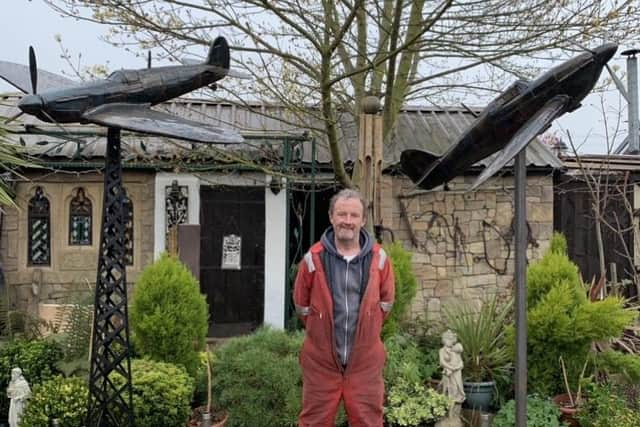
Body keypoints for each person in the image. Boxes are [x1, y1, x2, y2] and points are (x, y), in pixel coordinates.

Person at [294, 188, 395, 427]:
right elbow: (301, 306)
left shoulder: (379, 259)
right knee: (313, 422)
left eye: (353, 215)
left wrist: (367, 328)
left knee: (369, 421)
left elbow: (386, 303)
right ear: (331, 217)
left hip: (365, 362)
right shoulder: (313, 258)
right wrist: (322, 330)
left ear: (363, 220)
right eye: (342, 214)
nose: (347, 221)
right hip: (321, 362)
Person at [439, 329, 465, 417]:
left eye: (451, 340)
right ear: (444, 340)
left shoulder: (455, 350)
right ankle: (446, 414)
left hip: (457, 373)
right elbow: (442, 362)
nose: (449, 342)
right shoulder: (442, 350)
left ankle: (455, 414)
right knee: (447, 391)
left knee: (457, 390)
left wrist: (456, 367)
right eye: (448, 339)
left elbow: (461, 362)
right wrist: (451, 367)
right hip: (448, 373)